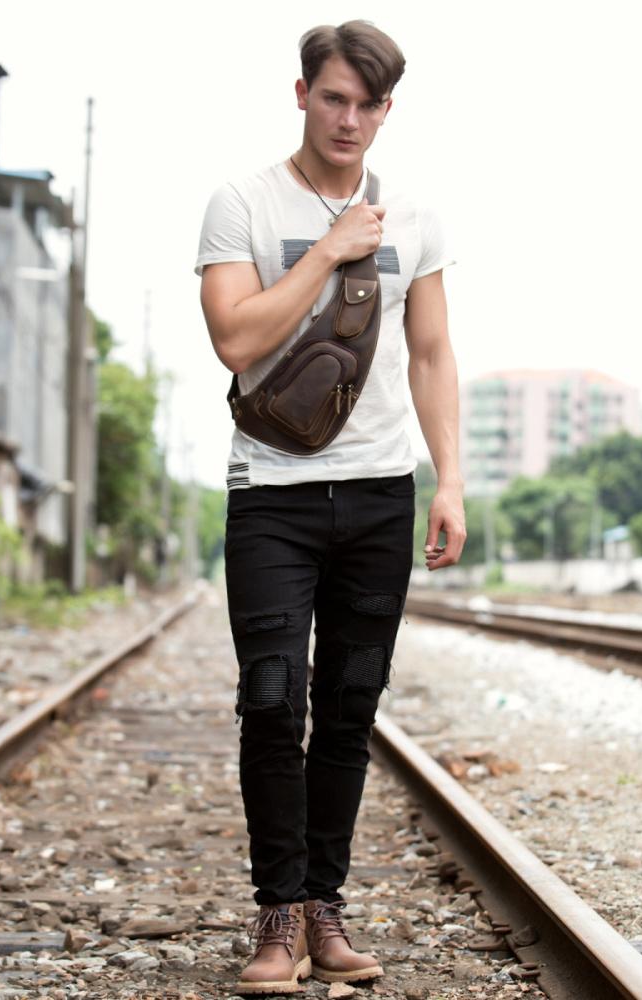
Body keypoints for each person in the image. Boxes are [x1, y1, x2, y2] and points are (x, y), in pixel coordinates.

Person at [195, 19, 465, 994]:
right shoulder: (243, 203)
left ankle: (324, 908)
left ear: (388, 110)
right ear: (302, 93)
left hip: (382, 495)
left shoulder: (417, 217)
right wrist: (328, 252)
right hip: (273, 493)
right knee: (273, 701)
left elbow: (431, 353)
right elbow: (235, 339)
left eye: (369, 104)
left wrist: (450, 480)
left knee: (351, 706)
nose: (350, 120)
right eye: (335, 98)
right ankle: (277, 917)